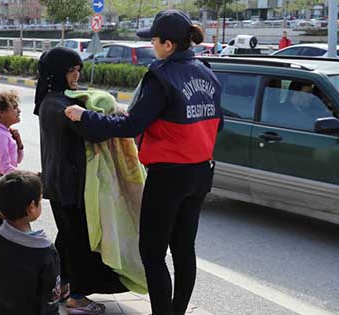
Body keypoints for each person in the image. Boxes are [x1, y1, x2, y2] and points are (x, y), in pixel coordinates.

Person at [64, 10, 222, 315]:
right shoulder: (207, 71)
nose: (151, 43)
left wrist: (87, 116)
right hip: (201, 173)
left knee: (152, 253)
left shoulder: (161, 75)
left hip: (168, 176)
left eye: (153, 39)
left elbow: (130, 126)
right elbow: (219, 124)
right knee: (184, 250)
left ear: (168, 44)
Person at [34, 47, 127, 315]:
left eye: (78, 70)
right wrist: (115, 118)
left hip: (63, 182)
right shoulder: (57, 105)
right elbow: (94, 131)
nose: (76, 76)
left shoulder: (55, 100)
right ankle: (77, 296)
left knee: (67, 237)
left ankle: (62, 285)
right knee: (79, 241)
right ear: (57, 73)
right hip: (68, 186)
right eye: (71, 71)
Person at [0, 170, 61, 315]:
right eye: (40, 200)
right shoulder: (45, 252)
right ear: (32, 207)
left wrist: (2, 210)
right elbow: (50, 300)